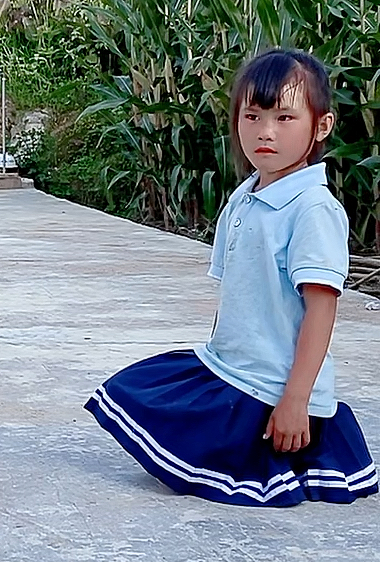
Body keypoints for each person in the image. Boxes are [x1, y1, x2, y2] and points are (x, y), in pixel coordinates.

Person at [85, 48, 378, 506]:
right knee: (133, 392)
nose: (265, 132)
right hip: (233, 362)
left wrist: (295, 401)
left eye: (285, 118)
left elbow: (322, 310)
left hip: (274, 381)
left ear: (321, 126)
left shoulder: (312, 210)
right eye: (252, 115)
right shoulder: (246, 197)